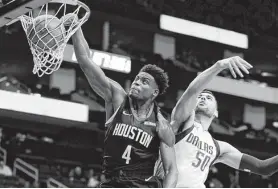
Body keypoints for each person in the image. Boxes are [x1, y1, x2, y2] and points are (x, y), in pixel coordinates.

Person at [71, 27, 177, 188]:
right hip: (111, 183)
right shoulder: (118, 99)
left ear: (155, 92)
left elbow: (171, 170)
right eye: (137, 79)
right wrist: (75, 27)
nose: (137, 83)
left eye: (144, 82)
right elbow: (85, 60)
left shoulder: (162, 124)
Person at [156, 56, 278, 187]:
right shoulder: (182, 122)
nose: (202, 99)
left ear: (216, 113)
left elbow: (263, 168)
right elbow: (193, 90)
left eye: (208, 98)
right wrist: (219, 65)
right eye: (200, 97)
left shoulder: (219, 147)